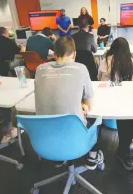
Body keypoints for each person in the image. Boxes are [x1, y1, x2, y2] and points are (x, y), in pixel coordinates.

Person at [34, 37, 104, 170]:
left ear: (54, 54)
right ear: (75, 54)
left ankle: (59, 158)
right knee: (96, 118)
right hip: (75, 137)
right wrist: (80, 103)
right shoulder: (81, 68)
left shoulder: (40, 69)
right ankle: (92, 157)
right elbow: (89, 105)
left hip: (46, 138)